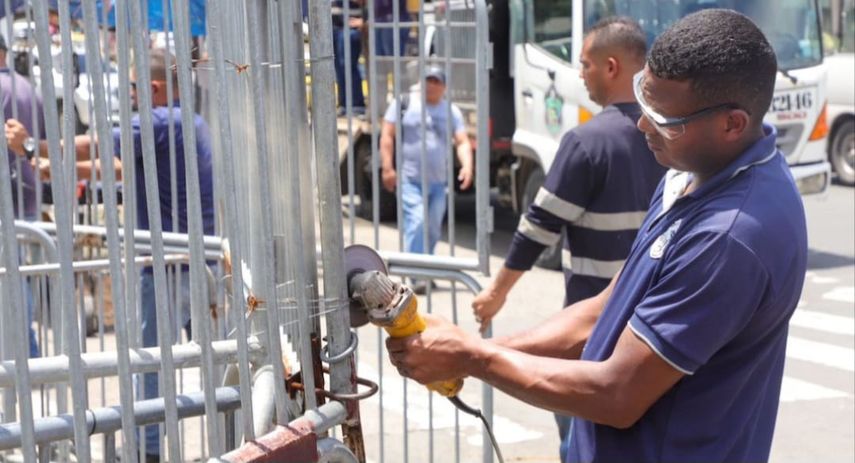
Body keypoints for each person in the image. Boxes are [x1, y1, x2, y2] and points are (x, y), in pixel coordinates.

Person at [386, 9, 807, 463]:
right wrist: (477, 348)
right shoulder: (690, 174)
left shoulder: (729, 236)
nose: (644, 125)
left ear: (732, 124)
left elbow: (617, 394)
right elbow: (606, 309)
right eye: (644, 103)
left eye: (664, 118)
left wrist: (473, 359)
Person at [471, 17, 665, 460]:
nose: (580, 74)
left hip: (592, 333)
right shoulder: (676, 138)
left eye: (584, 65)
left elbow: (537, 228)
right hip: (656, 331)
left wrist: (496, 294)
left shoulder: (586, 142)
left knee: (581, 443)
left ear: (611, 67)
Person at [8, 48, 214, 462]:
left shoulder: (162, 120)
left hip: (168, 266)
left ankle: (146, 451)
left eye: (135, 88)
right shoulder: (187, 123)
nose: (132, 95)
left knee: (150, 365)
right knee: (177, 360)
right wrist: (52, 166)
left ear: (154, 88)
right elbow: (118, 168)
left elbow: (98, 144)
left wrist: (30, 145)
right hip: (192, 262)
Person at [380, 66, 473, 294]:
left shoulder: (451, 111)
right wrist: (387, 167)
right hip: (410, 179)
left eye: (436, 81)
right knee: (417, 221)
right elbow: (387, 135)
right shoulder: (405, 103)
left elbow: (461, 141)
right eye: (427, 80)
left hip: (438, 183)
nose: (431, 84)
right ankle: (416, 274)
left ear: (444, 86)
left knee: (432, 229)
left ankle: (427, 268)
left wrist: (468, 166)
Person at [2, 32, 46, 358]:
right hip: (30, 194)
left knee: (11, 288)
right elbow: (40, 142)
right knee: (20, 282)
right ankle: (28, 362)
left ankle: (25, 362)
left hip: (6, 202)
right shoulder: (29, 87)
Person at [332, 0, 367, 116]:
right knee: (339, 68)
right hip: (335, 27)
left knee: (348, 66)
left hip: (350, 28)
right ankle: (344, 104)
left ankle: (357, 105)